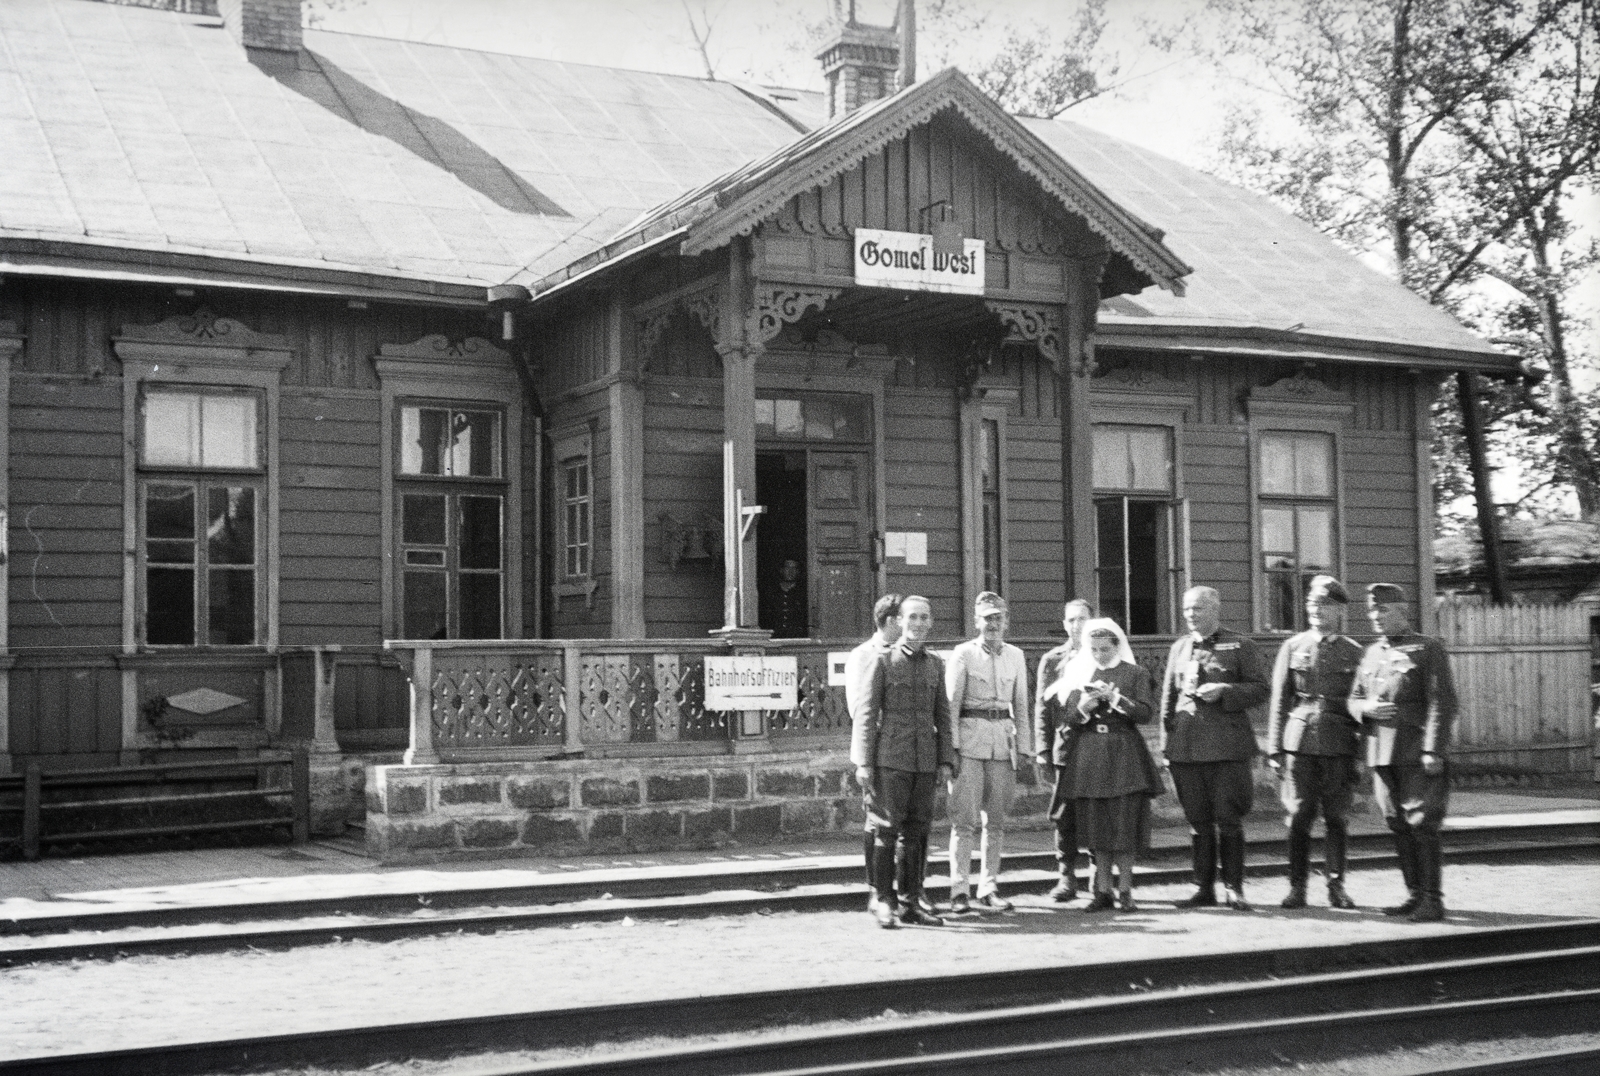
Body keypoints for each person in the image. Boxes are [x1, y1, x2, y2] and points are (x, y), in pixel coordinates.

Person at [1347, 583, 1458, 923]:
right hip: (1381, 753)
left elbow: (1443, 701)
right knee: (1397, 824)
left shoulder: (1428, 648)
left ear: (1402, 612)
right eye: (1372, 612)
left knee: (1422, 824)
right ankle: (1414, 894)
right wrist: (1364, 707)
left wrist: (1433, 750)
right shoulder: (1371, 653)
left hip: (1415, 752)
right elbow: (1353, 698)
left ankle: (1432, 899)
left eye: (1382, 611)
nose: (1375, 617)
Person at [1159, 585, 1270, 910]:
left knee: (1229, 819)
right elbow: (1169, 700)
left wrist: (1225, 690)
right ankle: (1203, 888)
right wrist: (1168, 748)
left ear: (1215, 610)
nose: (1191, 615)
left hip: (1227, 748)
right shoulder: (1179, 648)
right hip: (1187, 749)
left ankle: (1234, 888)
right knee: (1198, 821)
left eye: (1198, 609)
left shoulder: (1240, 645)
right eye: (1187, 609)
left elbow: (1261, 689)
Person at [851, 595, 956, 928]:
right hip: (891, 757)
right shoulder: (882, 662)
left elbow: (943, 715)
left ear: (931, 622)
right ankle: (884, 901)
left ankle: (912, 903)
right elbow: (866, 715)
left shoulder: (936, 664)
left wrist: (944, 760)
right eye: (912, 617)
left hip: (924, 759)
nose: (919, 624)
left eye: (925, 617)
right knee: (886, 830)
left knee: (917, 832)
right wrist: (864, 763)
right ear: (899, 621)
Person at [1266, 575, 1364, 910]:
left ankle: (1336, 886)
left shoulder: (1354, 653)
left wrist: (1360, 754)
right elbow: (1280, 700)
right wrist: (1275, 748)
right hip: (1299, 745)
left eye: (1324, 605)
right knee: (1298, 816)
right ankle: (1297, 887)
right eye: (1312, 604)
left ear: (1339, 611)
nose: (1317, 610)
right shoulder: (1293, 647)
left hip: (1339, 745)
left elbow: (1360, 706)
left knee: (1336, 818)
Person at [1054, 619, 1163, 911]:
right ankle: (1102, 891)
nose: (1099, 654)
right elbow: (1069, 718)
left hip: (1124, 751)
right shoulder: (1080, 672)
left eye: (1105, 648)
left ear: (1117, 646)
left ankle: (1125, 890)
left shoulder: (1135, 673)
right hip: (1090, 753)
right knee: (1096, 825)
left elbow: (1144, 713)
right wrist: (1083, 708)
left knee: (1124, 825)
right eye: (1094, 649)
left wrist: (1115, 698)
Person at [944, 592, 1032, 913]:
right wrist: (951, 749)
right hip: (968, 745)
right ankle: (958, 891)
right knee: (964, 822)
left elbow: (1021, 705)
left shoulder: (1016, 656)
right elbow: (951, 707)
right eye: (988, 618)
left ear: (1006, 621)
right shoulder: (963, 655)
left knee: (995, 823)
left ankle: (989, 887)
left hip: (1002, 746)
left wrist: (1024, 747)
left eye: (999, 618)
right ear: (976, 621)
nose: (993, 624)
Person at [845, 594, 903, 913]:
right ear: (892, 621)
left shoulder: (906, 654)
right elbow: (859, 708)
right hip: (878, 747)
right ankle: (876, 889)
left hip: (905, 749)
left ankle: (901, 890)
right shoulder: (862, 655)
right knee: (876, 820)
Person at [1033, 599, 1094, 901]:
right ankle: (1066, 877)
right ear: (1064, 624)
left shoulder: (1102, 654)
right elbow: (1043, 708)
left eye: (1082, 619)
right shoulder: (1053, 659)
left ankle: (1100, 877)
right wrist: (1042, 749)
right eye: (1071, 620)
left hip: (1097, 747)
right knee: (1065, 814)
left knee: (1098, 810)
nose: (1076, 626)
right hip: (1065, 746)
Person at [761, 557, 808, 638]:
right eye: (787, 568)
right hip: (774, 638)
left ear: (798, 572)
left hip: (797, 639)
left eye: (794, 568)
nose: (791, 571)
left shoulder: (804, 593)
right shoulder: (771, 592)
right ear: (781, 570)